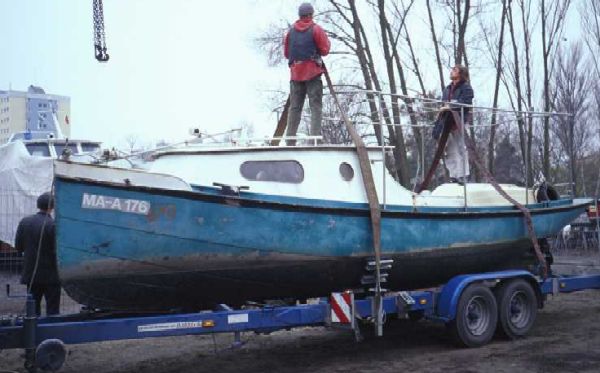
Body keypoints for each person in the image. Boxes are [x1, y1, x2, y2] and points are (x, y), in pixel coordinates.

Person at [283, 2, 331, 145]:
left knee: (295, 108)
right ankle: (314, 140)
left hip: (295, 74)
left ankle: (290, 140)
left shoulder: (290, 32)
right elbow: (325, 50)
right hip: (312, 74)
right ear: (311, 14)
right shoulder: (316, 30)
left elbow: (287, 54)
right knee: (315, 106)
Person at [15, 192, 61, 316]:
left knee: (32, 309)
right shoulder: (53, 225)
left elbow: (18, 246)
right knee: (53, 310)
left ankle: (33, 333)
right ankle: (51, 333)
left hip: (31, 273)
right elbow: (57, 250)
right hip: (51, 276)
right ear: (52, 207)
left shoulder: (24, 222)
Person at [437, 64, 474, 183]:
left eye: (454, 70)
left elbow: (466, 102)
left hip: (459, 121)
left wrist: (450, 106)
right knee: (448, 149)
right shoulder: (447, 89)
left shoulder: (466, 88)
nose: (452, 71)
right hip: (446, 122)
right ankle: (453, 175)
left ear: (460, 74)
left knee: (461, 148)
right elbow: (443, 103)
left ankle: (463, 175)